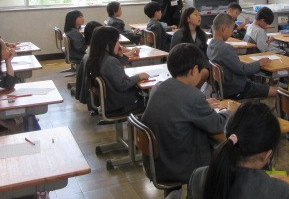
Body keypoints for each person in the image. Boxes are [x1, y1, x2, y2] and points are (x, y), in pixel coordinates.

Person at [142, 43, 226, 185]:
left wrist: (203, 106)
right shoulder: (193, 96)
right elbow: (217, 125)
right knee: (225, 146)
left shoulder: (159, 87)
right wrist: (229, 111)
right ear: (194, 70)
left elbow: (181, 108)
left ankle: (177, 194)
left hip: (157, 163)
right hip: (179, 166)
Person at [207, 14, 276, 100]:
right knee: (278, 91)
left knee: (259, 85)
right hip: (239, 90)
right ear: (224, 29)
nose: (232, 33)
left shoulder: (211, 45)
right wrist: (259, 63)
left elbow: (235, 65)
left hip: (224, 89)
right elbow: (242, 69)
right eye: (231, 30)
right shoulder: (226, 48)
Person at [85, 26, 149, 116]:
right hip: (121, 105)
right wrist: (139, 76)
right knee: (150, 98)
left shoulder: (97, 58)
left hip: (109, 102)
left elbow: (114, 70)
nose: (119, 45)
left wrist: (119, 55)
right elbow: (123, 85)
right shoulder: (110, 61)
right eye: (117, 41)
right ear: (108, 44)